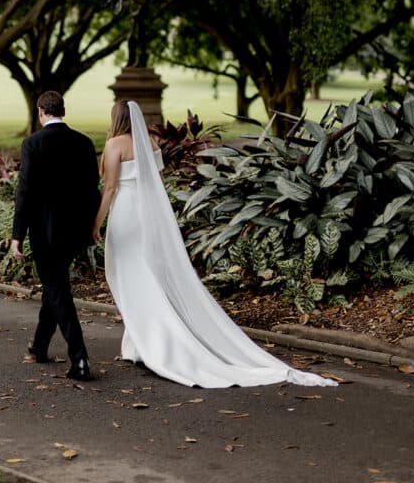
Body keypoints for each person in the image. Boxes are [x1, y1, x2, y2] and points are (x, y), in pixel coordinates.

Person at [93, 99, 337, 389]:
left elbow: (110, 187)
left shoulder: (114, 145)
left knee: (132, 276)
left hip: (125, 214)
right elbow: (158, 182)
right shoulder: (150, 143)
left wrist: (95, 223)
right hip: (148, 215)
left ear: (115, 118)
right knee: (149, 274)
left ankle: (156, 343)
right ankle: (137, 343)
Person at [10, 90, 100, 381]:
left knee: (58, 291)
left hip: (45, 233)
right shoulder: (84, 143)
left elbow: (25, 192)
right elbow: (92, 191)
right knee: (54, 287)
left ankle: (80, 358)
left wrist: (17, 235)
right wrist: (90, 228)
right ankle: (39, 346)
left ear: (40, 112)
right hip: (74, 232)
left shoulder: (33, 144)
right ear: (63, 110)